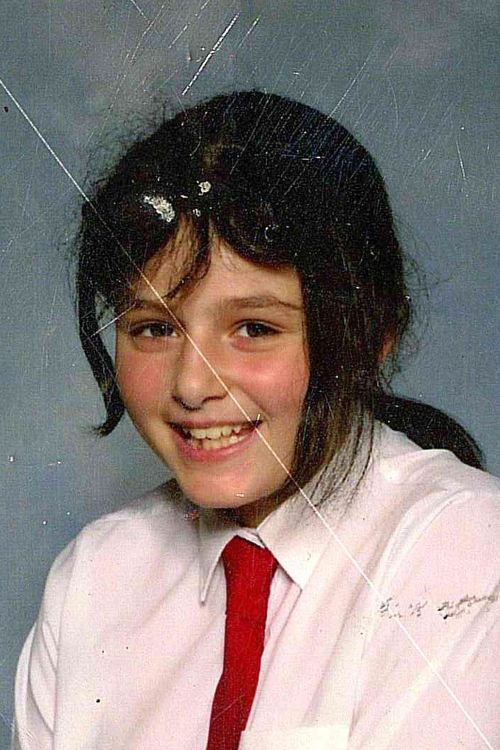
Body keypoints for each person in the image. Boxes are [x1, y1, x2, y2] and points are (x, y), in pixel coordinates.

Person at [11, 91, 499, 750]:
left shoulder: (466, 549)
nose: (192, 385)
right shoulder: (95, 577)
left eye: (254, 328)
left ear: (369, 334)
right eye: (153, 328)